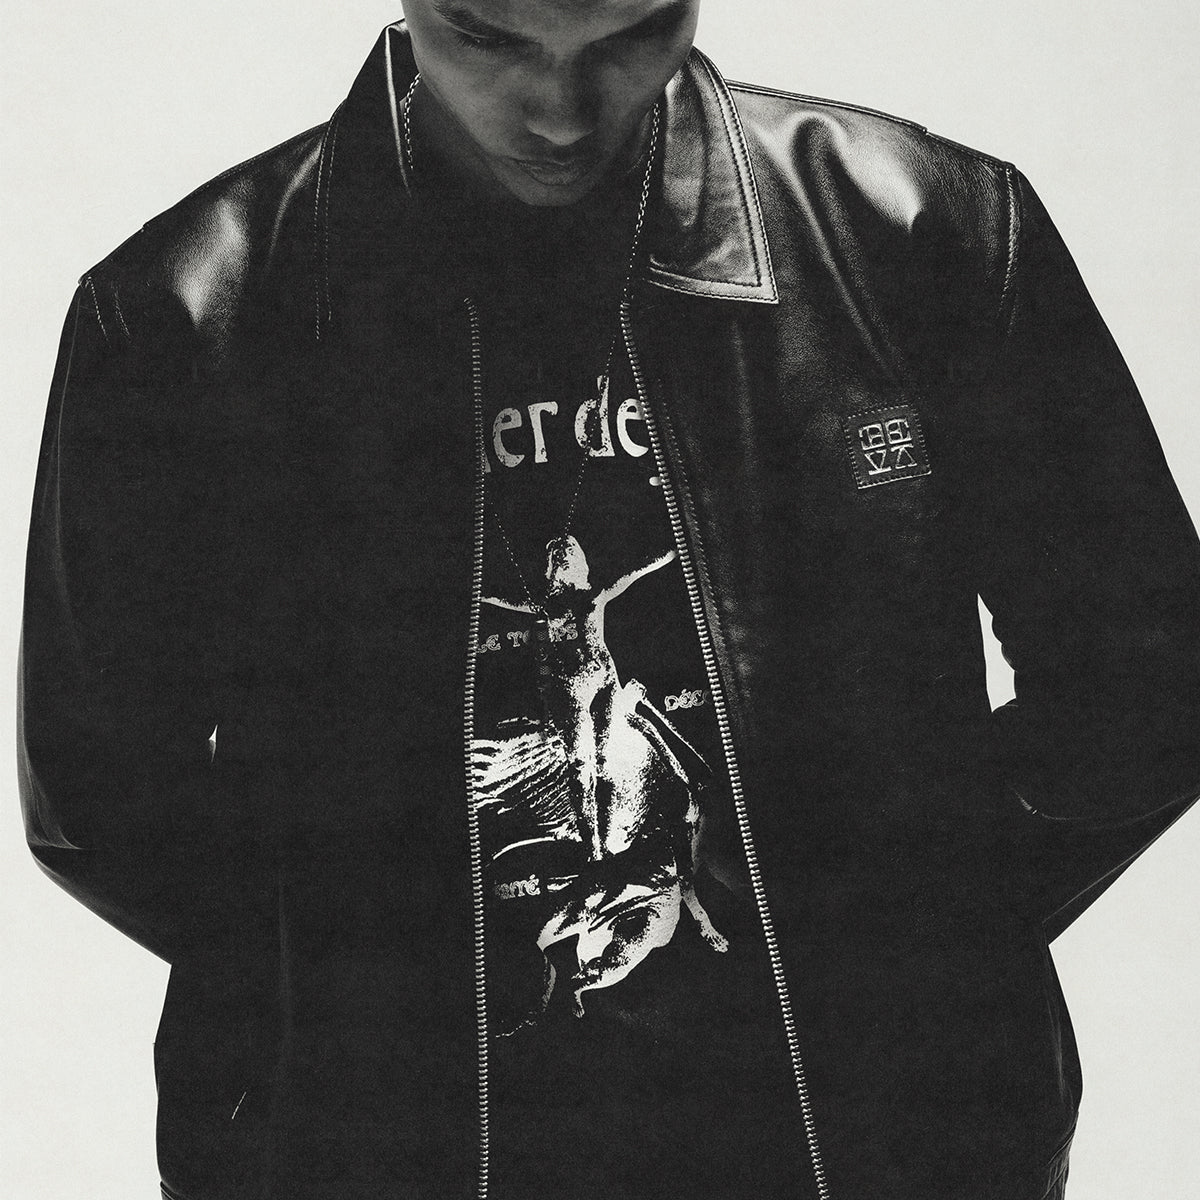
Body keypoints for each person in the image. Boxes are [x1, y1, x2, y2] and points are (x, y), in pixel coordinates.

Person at [17, 2, 1200, 1198]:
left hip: (882, 1155)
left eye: (630, 32)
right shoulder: (181, 315)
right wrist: (341, 1006)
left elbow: (1147, 682)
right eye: (491, 39)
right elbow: (104, 797)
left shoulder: (924, 234)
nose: (561, 110)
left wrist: (929, 944)